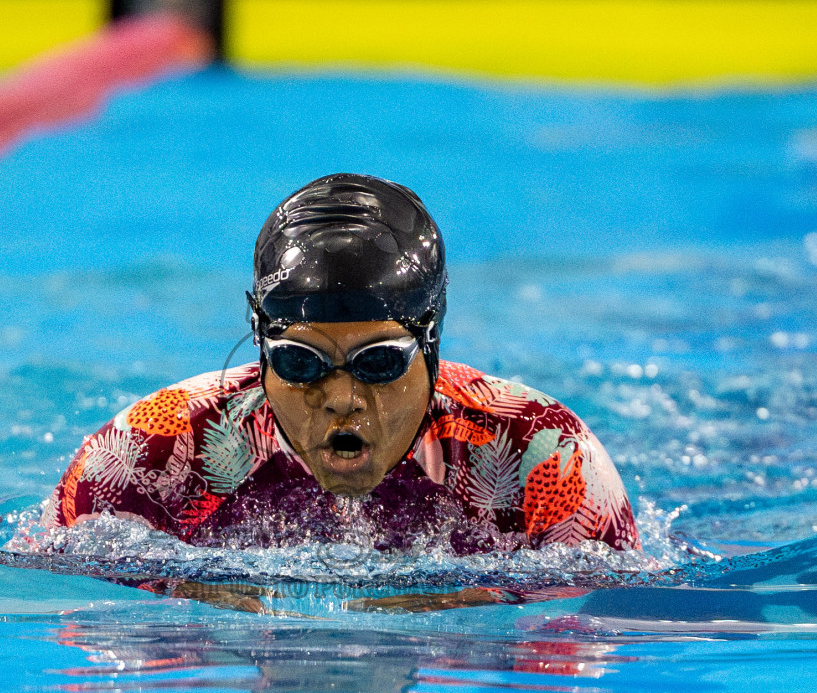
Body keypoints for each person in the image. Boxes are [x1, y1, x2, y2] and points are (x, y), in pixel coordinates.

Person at [38, 173, 639, 558]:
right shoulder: (150, 456)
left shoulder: (543, 454)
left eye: (377, 362)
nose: (342, 396)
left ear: (429, 344)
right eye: (301, 362)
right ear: (260, 347)